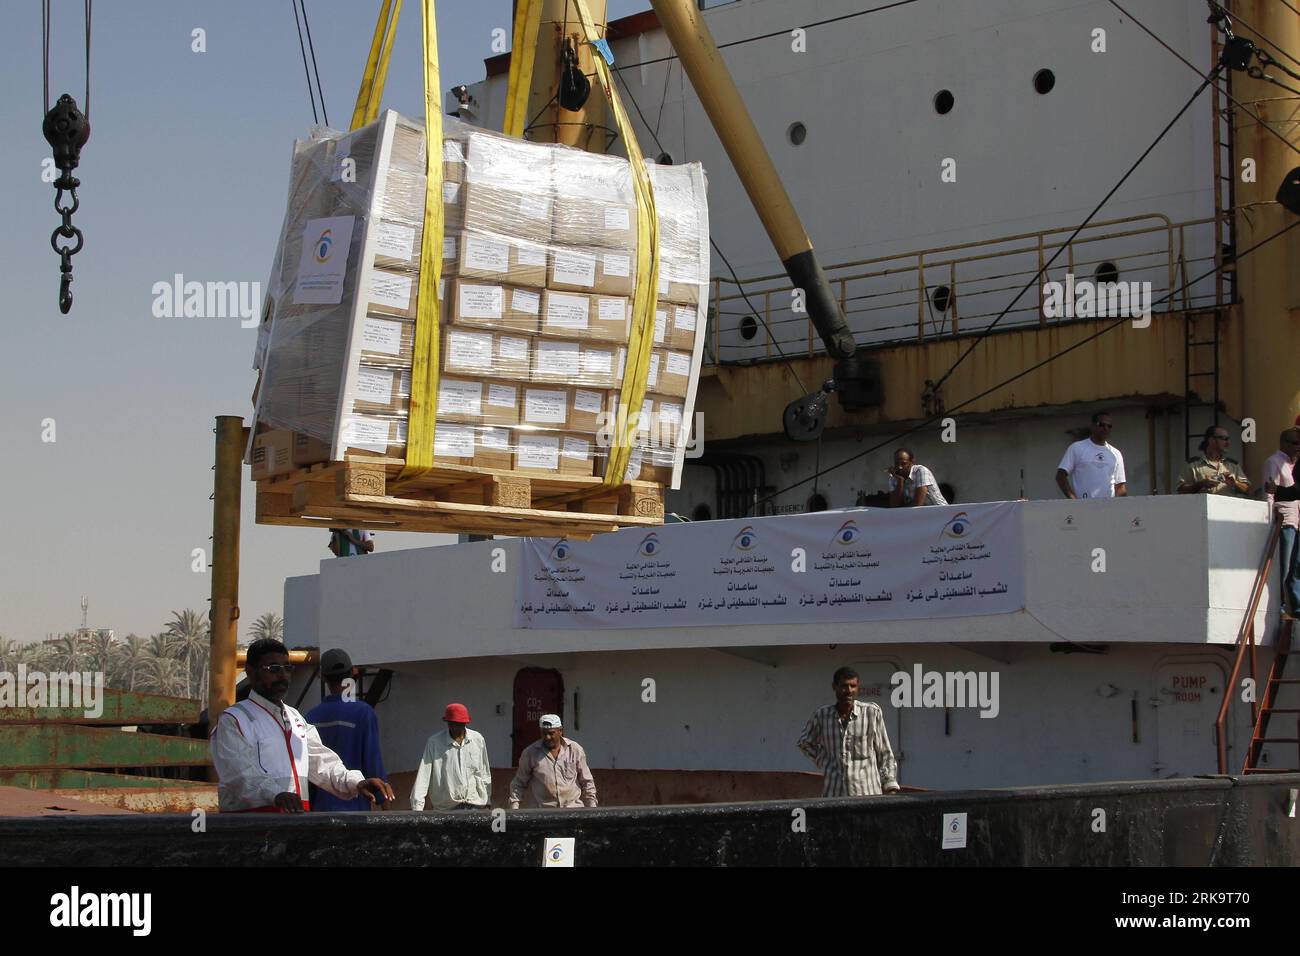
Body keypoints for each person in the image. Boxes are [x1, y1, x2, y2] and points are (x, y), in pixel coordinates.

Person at [209, 638, 394, 813]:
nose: (282, 676)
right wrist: (276, 795)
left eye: (287, 668)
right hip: (252, 827)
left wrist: (356, 782)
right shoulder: (235, 720)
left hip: (295, 823)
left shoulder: (296, 717)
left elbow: (321, 762)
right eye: (273, 669)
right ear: (250, 672)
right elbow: (240, 776)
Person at [303, 649, 389, 811]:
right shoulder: (363, 712)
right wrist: (384, 802)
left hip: (319, 812)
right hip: (356, 810)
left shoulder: (310, 717)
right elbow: (373, 761)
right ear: (352, 673)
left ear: (322, 676)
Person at [797, 666, 900, 797]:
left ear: (858, 687)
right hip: (834, 795)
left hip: (867, 795)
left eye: (853, 686)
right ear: (834, 687)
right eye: (844, 686)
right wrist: (825, 760)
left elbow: (884, 752)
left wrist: (890, 783)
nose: (849, 691)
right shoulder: (822, 715)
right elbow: (804, 742)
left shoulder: (871, 713)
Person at [410, 703, 493, 811]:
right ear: (447, 723)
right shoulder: (434, 743)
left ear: (465, 723)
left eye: (458, 724)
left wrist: (487, 801)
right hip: (446, 808)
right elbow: (423, 776)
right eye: (451, 724)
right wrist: (417, 808)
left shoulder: (477, 739)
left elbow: (484, 772)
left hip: (475, 805)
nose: (454, 727)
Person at [507, 714, 598, 809]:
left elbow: (587, 781)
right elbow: (519, 782)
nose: (547, 737)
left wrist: (592, 807)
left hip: (573, 810)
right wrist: (514, 807)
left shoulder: (575, 750)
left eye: (551, 733)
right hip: (542, 812)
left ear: (560, 731)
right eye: (544, 733)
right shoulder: (530, 753)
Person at [1263, 427, 1300, 618]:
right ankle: (1281, 607)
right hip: (1285, 520)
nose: (1298, 446)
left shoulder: (1297, 463)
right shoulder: (1274, 461)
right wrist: (1270, 519)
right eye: (1294, 442)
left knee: (1297, 567)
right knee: (1284, 568)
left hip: (1298, 519)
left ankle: (1297, 606)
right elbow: (1270, 493)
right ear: (1283, 443)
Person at [1056, 411, 1127, 499]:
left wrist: (1121, 507)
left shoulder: (1116, 454)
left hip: (1108, 508)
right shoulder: (1077, 448)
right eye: (1101, 424)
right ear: (1092, 426)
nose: (1105, 428)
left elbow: (1120, 486)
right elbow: (1060, 476)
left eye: (1109, 426)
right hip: (1084, 507)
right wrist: (1073, 500)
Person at [1177, 425, 1250, 495]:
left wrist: (1235, 483)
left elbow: (1248, 490)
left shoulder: (1233, 465)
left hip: (1228, 507)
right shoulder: (1193, 465)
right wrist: (1201, 484)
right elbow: (1181, 490)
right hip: (1204, 507)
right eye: (1224, 439)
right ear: (1211, 440)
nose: (1228, 443)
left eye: (1228, 439)